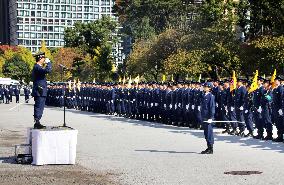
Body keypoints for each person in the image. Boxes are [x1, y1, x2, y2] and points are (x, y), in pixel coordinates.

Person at [31, 52, 52, 129]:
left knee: (41, 106)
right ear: (40, 58)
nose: (44, 60)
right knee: (39, 106)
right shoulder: (37, 67)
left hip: (41, 90)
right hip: (39, 90)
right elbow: (47, 70)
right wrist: (49, 63)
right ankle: (37, 122)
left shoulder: (38, 67)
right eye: (43, 58)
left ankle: (38, 121)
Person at [201, 82, 216, 154]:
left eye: (206, 87)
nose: (204, 88)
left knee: (209, 132)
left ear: (209, 88)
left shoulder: (211, 96)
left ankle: (211, 148)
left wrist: (211, 117)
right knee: (206, 133)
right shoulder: (204, 95)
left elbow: (212, 107)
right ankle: (208, 147)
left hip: (208, 117)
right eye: (204, 87)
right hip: (204, 116)